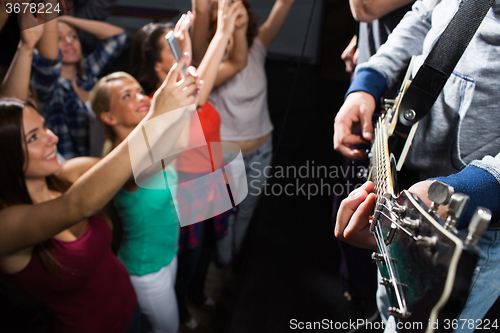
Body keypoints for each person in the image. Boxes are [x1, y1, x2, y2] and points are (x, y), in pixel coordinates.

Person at [0, 53, 200, 332]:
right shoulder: (7, 225)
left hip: (130, 305)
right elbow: (76, 206)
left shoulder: (70, 172)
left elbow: (140, 170)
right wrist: (155, 116)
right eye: (34, 137)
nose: (52, 138)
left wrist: (182, 105)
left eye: (45, 127)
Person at [333, 0, 500, 331]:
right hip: (413, 189)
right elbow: (425, 14)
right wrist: (368, 82)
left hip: (473, 222)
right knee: (389, 307)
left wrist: (462, 190)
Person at [192, 0, 295, 267]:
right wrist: (203, 11)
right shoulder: (208, 59)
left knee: (247, 210)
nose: (231, 6)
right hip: (226, 157)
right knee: (224, 217)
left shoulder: (257, 46)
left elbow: (283, 5)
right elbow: (201, 19)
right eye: (223, 5)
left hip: (263, 150)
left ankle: (236, 259)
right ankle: (225, 264)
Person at [335, 0, 415, 325]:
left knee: (377, 230)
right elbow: (424, 16)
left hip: (398, 120)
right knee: (349, 214)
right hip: (376, 99)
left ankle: (365, 302)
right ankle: (360, 298)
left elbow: (364, 5)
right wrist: (363, 37)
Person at [91, 70, 189, 333]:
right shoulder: (121, 165)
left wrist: (185, 67)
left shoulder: (153, 142)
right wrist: (180, 105)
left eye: (138, 91)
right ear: (109, 117)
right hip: (146, 271)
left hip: (168, 251)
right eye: (127, 96)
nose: (140, 97)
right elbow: (179, 143)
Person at [31, 12, 126, 159]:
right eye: (59, 38)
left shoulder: (86, 73)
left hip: (108, 159)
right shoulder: (48, 88)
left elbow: (117, 37)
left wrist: (66, 19)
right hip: (74, 169)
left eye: (73, 36)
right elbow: (47, 66)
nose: (69, 42)